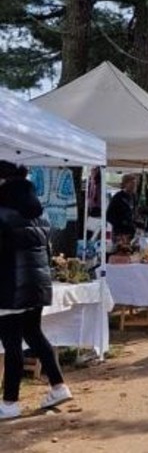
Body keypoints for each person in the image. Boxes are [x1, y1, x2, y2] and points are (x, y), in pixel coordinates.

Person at [0, 161, 72, 420]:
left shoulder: (2, 212)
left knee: (12, 343)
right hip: (38, 284)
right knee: (34, 333)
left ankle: (9, 403)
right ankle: (58, 385)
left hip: (10, 286)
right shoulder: (39, 213)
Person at [106, 174, 138, 240]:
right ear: (125, 184)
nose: (134, 186)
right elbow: (109, 215)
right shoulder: (117, 197)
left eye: (135, 184)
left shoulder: (134, 197)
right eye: (131, 183)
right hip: (120, 232)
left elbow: (133, 211)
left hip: (131, 231)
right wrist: (120, 224)